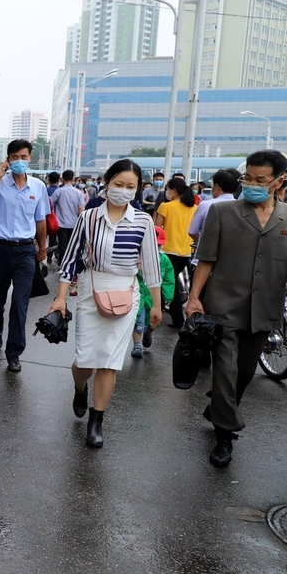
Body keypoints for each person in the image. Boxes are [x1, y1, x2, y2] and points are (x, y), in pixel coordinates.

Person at [49, 159, 162, 448]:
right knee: (85, 360)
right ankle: (79, 387)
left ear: (138, 190)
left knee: (110, 361)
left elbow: (151, 268)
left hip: (126, 292)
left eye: (131, 187)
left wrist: (156, 305)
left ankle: (96, 420)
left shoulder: (144, 221)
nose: (124, 191)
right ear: (107, 182)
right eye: (119, 184)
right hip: (91, 290)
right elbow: (70, 260)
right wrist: (60, 297)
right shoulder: (89, 218)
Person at [188, 149, 287, 468]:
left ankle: (217, 408)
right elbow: (207, 260)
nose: (252, 184)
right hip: (223, 307)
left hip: (264, 310)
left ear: (279, 181)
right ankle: (225, 436)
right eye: (248, 178)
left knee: (245, 372)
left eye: (261, 180)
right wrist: (194, 298)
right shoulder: (224, 212)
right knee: (226, 370)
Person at [0, 139, 49, 372]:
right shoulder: (0, 184)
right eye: (14, 157)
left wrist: (42, 249)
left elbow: (41, 221)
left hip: (26, 251)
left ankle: (14, 352)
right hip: (1, 250)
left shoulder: (38, 187)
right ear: (8, 159)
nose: (19, 161)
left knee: (20, 304)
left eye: (23, 157)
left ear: (30, 159)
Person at [154, 176, 197, 328]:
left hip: (167, 251)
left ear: (174, 190)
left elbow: (157, 229)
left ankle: (176, 320)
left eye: (168, 189)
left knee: (168, 285)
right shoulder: (194, 208)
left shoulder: (166, 206)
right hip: (186, 252)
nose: (167, 192)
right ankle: (171, 316)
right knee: (170, 283)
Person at [132, 227, 175, 358]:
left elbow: (169, 278)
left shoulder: (164, 260)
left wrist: (168, 295)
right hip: (139, 293)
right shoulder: (136, 257)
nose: (155, 248)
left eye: (158, 245)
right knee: (138, 320)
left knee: (154, 320)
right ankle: (137, 344)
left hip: (153, 296)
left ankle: (149, 332)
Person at [188, 168, 240, 249]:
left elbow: (192, 231)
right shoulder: (241, 207)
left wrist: (204, 241)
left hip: (204, 255)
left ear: (217, 186)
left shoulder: (205, 205)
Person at [52, 170, 84, 264]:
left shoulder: (59, 191)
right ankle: (71, 262)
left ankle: (63, 263)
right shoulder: (78, 193)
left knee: (63, 245)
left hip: (61, 223)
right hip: (74, 223)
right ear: (73, 179)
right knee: (72, 245)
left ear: (62, 178)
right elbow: (81, 209)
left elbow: (50, 203)